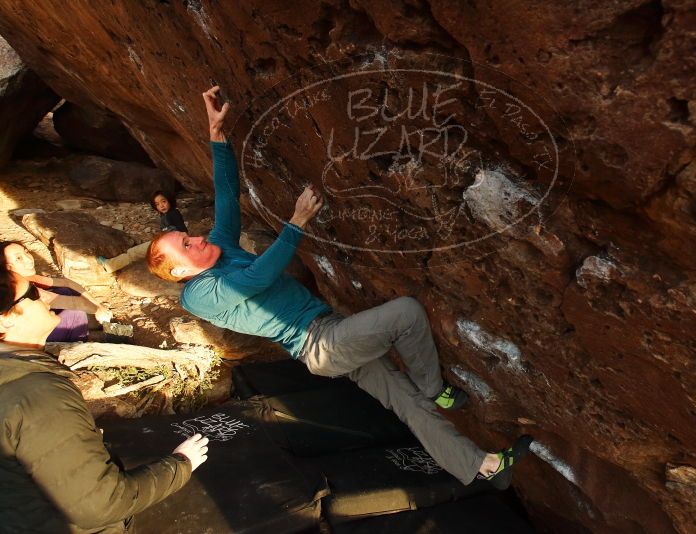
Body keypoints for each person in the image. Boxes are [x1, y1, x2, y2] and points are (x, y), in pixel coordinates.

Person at [147, 86, 532, 489]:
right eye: (185, 247)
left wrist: (217, 136)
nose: (196, 240)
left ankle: (483, 467)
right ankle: (435, 388)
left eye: (188, 236)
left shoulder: (219, 247)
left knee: (407, 403)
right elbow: (256, 278)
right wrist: (296, 223)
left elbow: (226, 195)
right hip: (320, 346)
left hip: (331, 332)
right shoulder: (198, 294)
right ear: (178, 274)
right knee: (406, 313)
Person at [0, 268, 209, 532]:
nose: (44, 294)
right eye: (31, 292)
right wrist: (180, 464)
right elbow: (100, 505)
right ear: (5, 320)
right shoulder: (37, 396)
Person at [1, 241, 112, 342]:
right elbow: (62, 301)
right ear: (8, 267)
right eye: (19, 258)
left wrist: (97, 305)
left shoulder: (26, 278)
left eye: (26, 252)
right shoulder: (17, 288)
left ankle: (104, 328)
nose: (29, 259)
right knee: (75, 313)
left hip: (34, 323)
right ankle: (81, 344)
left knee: (65, 291)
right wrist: (97, 310)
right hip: (27, 339)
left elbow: (66, 283)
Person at [98, 190, 188, 273]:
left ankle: (110, 265)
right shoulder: (166, 214)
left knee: (133, 253)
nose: (161, 205)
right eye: (157, 204)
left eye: (163, 201)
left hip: (168, 245)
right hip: (165, 244)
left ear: (169, 201)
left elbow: (183, 231)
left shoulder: (173, 214)